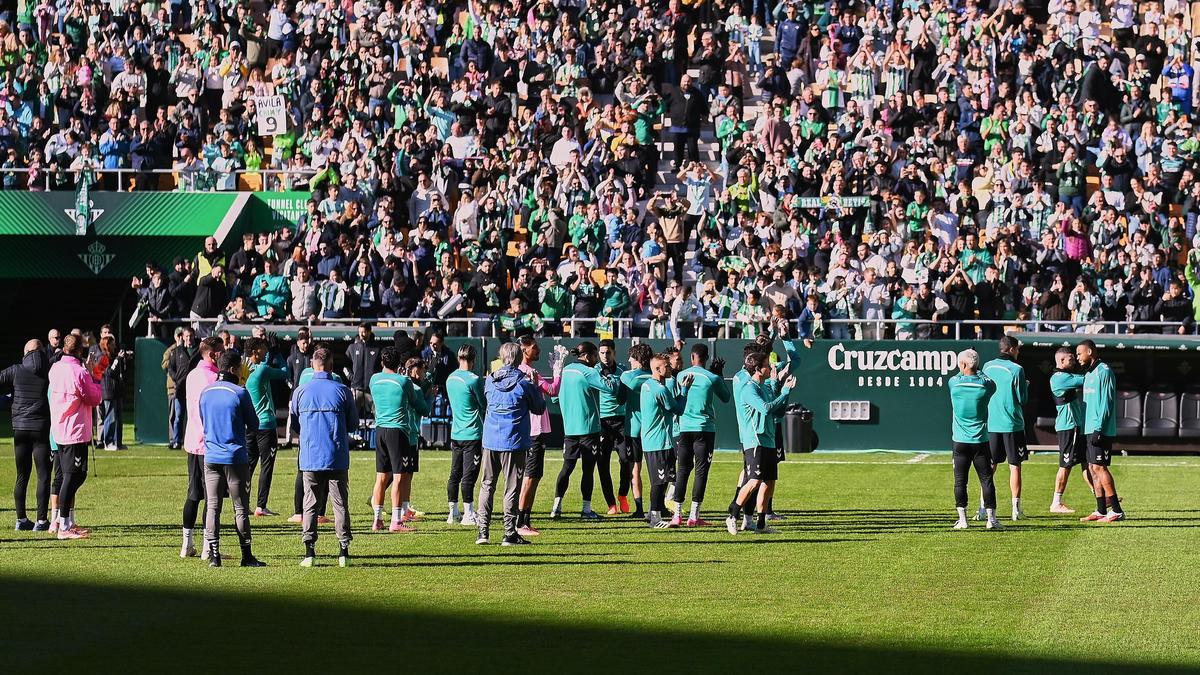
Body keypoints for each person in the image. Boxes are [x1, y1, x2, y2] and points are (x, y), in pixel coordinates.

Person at [198, 351, 266, 567]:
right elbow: (254, 424)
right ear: (235, 369)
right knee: (240, 508)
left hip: (211, 456)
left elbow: (203, 420)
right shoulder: (239, 393)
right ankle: (246, 555)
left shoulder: (206, 392)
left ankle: (214, 556)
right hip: (235, 456)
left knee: (213, 507)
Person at [291, 347, 358, 566]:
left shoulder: (300, 391)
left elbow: (294, 424)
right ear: (330, 366)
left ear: (312, 365)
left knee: (309, 503)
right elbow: (353, 424)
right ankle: (343, 552)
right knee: (340, 504)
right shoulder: (342, 391)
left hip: (310, 456)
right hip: (336, 455)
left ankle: (309, 552)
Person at [478, 342, 546, 545]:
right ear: (518, 359)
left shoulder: (490, 380)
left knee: (487, 485)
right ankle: (509, 533)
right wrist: (534, 386)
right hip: (514, 441)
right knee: (511, 488)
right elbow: (539, 408)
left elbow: (486, 402)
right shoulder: (524, 383)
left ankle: (483, 532)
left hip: (490, 439)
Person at [726, 351, 794, 536]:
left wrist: (785, 392)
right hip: (754, 440)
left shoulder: (764, 386)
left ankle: (761, 523)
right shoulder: (749, 388)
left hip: (769, 439)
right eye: (767, 365)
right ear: (757, 368)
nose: (770, 368)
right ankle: (732, 515)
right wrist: (784, 391)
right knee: (754, 481)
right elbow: (765, 409)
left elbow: (777, 412)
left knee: (769, 482)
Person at [550, 342, 617, 520]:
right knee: (588, 470)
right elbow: (611, 388)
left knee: (567, 468)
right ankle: (586, 510)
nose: (597, 361)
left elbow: (555, 399)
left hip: (569, 429)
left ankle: (556, 507)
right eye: (595, 356)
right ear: (587, 356)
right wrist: (608, 376)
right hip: (589, 429)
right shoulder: (589, 372)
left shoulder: (566, 371)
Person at [47, 334, 103, 540]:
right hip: (75, 430)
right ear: (80, 351)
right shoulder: (78, 372)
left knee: (73, 475)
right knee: (73, 476)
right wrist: (93, 376)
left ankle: (67, 522)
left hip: (60, 429)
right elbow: (94, 397)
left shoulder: (55, 368)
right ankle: (63, 524)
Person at [369, 348, 430, 532]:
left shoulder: (374, 379)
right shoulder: (403, 381)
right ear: (399, 364)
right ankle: (396, 521)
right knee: (398, 477)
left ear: (382, 363)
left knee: (381, 478)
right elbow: (418, 404)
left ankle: (377, 520)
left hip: (380, 430)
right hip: (398, 432)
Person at [672, 343, 729, 526]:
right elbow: (726, 397)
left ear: (691, 358)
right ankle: (694, 516)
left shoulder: (680, 375)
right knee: (701, 471)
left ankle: (677, 514)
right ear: (707, 359)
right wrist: (719, 374)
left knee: (682, 470)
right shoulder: (711, 377)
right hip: (704, 429)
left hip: (684, 428)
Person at [515, 337, 565, 536]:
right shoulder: (527, 372)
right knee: (529, 477)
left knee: (534, 477)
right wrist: (557, 372)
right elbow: (553, 391)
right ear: (524, 350)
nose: (538, 351)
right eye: (534, 348)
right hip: (533, 431)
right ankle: (520, 521)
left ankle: (525, 519)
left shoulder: (526, 372)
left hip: (535, 430)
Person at [947, 349, 1002, 530]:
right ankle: (991, 520)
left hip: (960, 442)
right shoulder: (985, 386)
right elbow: (988, 380)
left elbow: (958, 374)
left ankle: (963, 520)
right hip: (980, 441)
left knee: (960, 481)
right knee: (986, 480)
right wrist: (976, 368)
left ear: (962, 365)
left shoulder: (954, 383)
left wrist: (967, 365)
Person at [2, 340, 52, 530]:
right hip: (40, 428)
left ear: (26, 352)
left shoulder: (15, 370)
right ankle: (41, 521)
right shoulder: (49, 369)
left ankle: (21, 519)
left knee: (22, 475)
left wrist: (9, 398)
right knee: (43, 475)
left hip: (20, 428)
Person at [181, 336, 224, 557]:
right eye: (221, 351)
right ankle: (209, 546)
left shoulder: (192, 375)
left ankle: (186, 544)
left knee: (193, 494)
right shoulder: (214, 378)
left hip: (192, 441)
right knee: (212, 498)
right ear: (212, 353)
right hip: (209, 444)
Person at [640, 353, 693, 528]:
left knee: (662, 480)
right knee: (660, 481)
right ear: (657, 369)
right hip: (659, 441)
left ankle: (652, 513)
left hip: (652, 441)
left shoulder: (648, 385)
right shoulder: (660, 389)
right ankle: (654, 517)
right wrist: (685, 390)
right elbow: (678, 409)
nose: (670, 368)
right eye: (666, 366)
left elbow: (670, 405)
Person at [1077, 340, 1126, 523]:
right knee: (1092, 468)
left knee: (1100, 467)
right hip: (1088, 428)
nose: (1078, 357)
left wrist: (1099, 428)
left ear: (1090, 352)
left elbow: (1107, 402)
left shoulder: (1103, 371)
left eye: (1080, 353)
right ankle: (1101, 510)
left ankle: (1117, 510)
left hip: (1100, 428)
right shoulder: (1088, 374)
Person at [981, 336, 1028, 521]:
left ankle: (982, 507)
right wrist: (1025, 386)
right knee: (1014, 466)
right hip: (1012, 424)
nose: (1018, 352)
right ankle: (1016, 510)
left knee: (989, 467)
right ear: (1011, 349)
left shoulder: (987, 366)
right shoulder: (1017, 369)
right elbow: (1022, 399)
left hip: (992, 423)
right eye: (1017, 349)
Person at [243, 337, 289, 516]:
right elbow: (284, 372)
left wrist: (269, 352)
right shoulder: (262, 370)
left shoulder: (245, 368)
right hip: (266, 424)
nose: (265, 351)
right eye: (263, 348)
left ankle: (242, 503)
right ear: (255, 351)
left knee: (249, 465)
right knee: (266, 465)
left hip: (250, 424)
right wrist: (277, 353)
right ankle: (261, 506)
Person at [1049, 347, 1093, 514]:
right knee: (1065, 465)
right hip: (1068, 426)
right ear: (1061, 361)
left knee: (1085, 463)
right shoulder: (1060, 378)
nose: (1074, 361)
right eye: (1070, 359)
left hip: (1075, 425)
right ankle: (1056, 503)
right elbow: (1085, 380)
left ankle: (1100, 496)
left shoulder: (1064, 376)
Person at [445, 344, 485, 526]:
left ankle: (453, 512)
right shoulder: (474, 379)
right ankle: (469, 514)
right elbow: (483, 404)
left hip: (456, 432)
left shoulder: (450, 378)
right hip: (472, 433)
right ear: (473, 358)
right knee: (469, 475)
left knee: (455, 473)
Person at [618, 344, 654, 519]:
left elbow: (620, 399)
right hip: (655, 429)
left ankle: (639, 509)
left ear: (638, 360)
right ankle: (658, 506)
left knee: (635, 470)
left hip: (634, 429)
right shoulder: (656, 375)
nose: (629, 361)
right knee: (657, 470)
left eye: (631, 358)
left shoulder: (627, 376)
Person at [594, 339, 624, 515]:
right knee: (602, 463)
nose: (605, 356)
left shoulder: (622, 370)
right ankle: (611, 504)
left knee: (626, 461)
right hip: (603, 422)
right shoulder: (594, 371)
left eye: (608, 352)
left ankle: (622, 495)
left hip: (622, 420)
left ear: (614, 352)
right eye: (602, 352)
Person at [166, 327, 197, 449]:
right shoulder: (177, 351)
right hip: (180, 389)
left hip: (194, 389)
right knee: (178, 416)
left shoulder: (198, 351)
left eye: (191, 336)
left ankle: (190, 440)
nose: (189, 338)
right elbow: (170, 368)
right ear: (183, 337)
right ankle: (176, 440)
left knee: (193, 416)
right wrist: (176, 379)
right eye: (187, 336)